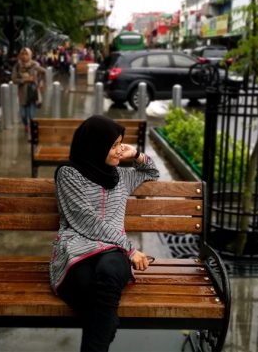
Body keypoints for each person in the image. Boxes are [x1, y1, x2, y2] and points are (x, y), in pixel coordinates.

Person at [50, 115, 160, 352]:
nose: (119, 150)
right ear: (95, 146)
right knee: (89, 287)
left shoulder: (121, 176)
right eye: (113, 145)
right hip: (77, 247)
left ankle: (103, 324)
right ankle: (107, 321)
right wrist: (130, 249)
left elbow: (152, 172)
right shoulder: (69, 174)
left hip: (113, 250)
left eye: (120, 143)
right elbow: (86, 220)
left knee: (109, 272)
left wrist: (136, 154)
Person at [12, 47, 46, 136]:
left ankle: (32, 129)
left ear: (30, 55)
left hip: (33, 93)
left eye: (26, 54)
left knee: (31, 115)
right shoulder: (18, 66)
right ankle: (26, 125)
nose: (24, 56)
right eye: (22, 54)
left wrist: (40, 82)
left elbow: (44, 72)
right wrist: (25, 80)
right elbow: (14, 80)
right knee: (23, 114)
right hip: (22, 93)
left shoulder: (35, 65)